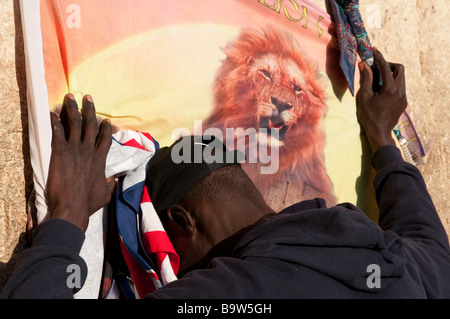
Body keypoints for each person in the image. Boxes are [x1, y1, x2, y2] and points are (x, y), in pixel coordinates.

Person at [1, 49, 450, 299]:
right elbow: (431, 245)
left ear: (183, 222)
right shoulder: (394, 259)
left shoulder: (231, 293)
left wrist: (67, 216)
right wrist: (382, 138)